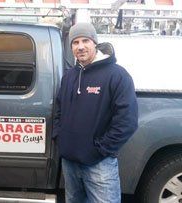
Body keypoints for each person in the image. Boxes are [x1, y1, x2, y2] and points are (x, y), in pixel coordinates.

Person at [53, 23, 138, 203]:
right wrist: (59, 138)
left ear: (95, 43)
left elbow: (127, 121)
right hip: (70, 162)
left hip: (99, 164)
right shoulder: (69, 76)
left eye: (85, 40)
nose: (80, 46)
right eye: (75, 42)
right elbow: (58, 110)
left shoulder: (117, 75)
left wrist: (100, 150)